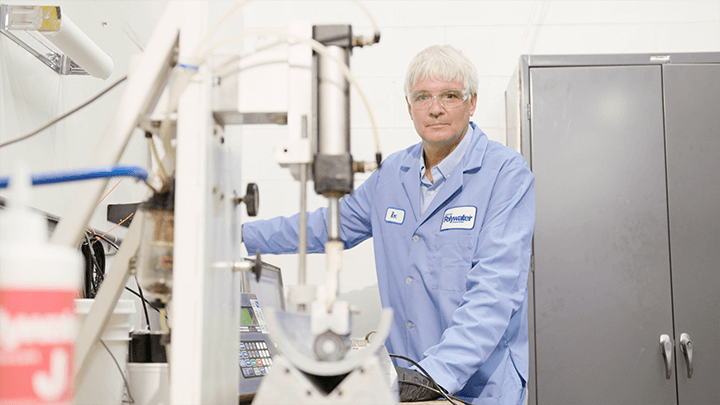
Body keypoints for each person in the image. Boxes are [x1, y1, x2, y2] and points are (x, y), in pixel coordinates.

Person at [242, 45, 535, 405]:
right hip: (409, 384)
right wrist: (237, 236)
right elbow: (327, 226)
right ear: (409, 107)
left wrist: (434, 375)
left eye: (450, 96)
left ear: (472, 103)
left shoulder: (505, 174)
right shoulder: (392, 174)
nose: (436, 108)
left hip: (481, 389)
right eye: (423, 97)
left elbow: (494, 292)